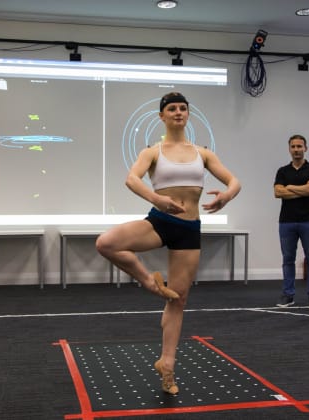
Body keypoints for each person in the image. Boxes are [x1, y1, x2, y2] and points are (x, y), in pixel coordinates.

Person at [96, 92, 241, 395]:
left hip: (189, 229)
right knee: (106, 243)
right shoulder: (152, 151)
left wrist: (227, 195)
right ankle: (149, 281)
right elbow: (132, 179)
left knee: (178, 299)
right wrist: (158, 199)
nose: (178, 112)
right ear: (162, 116)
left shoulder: (202, 152)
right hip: (160, 221)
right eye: (172, 108)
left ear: (188, 115)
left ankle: (167, 365)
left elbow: (234, 181)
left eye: (183, 108)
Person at [274, 134, 309, 308]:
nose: (296, 150)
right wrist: (304, 189)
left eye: (299, 146)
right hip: (286, 222)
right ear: (289, 149)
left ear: (305, 148)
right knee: (288, 259)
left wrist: (291, 187)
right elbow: (278, 193)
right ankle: (288, 295)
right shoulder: (282, 171)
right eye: (293, 147)